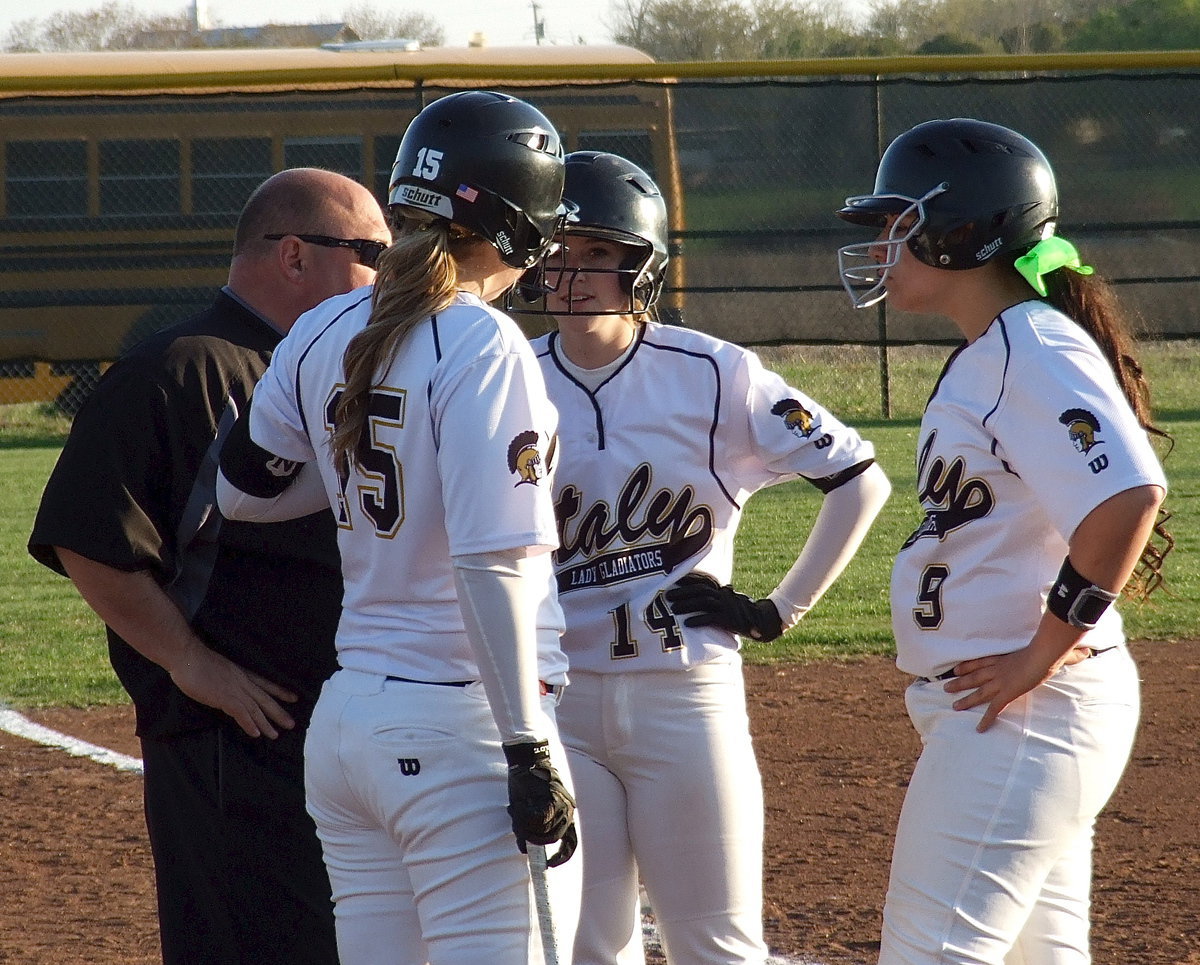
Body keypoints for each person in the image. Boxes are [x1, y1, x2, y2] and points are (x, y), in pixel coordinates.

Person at [214, 90, 581, 965]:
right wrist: (526, 747)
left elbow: (241, 493)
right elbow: (494, 562)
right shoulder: (483, 341)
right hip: (461, 722)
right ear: (519, 221)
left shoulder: (323, 324)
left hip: (350, 725)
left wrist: (358, 482)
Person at [517, 150, 892, 965]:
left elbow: (859, 477)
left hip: (684, 697)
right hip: (559, 706)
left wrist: (777, 609)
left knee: (716, 945)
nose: (571, 271)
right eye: (559, 250)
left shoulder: (713, 372)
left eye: (596, 252)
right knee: (585, 947)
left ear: (641, 265)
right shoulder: (510, 377)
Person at [27, 168, 391, 964]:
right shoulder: (183, 368)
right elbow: (88, 535)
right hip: (233, 748)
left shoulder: (329, 369)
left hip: (333, 734)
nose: (387, 275)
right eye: (372, 253)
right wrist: (190, 661)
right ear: (294, 256)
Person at [836, 117, 1173, 965]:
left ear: (962, 232)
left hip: (1028, 711)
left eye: (899, 222)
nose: (881, 243)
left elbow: (1127, 497)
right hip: (1027, 715)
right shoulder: (1006, 345)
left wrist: (1038, 654)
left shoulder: (1029, 343)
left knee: (929, 951)